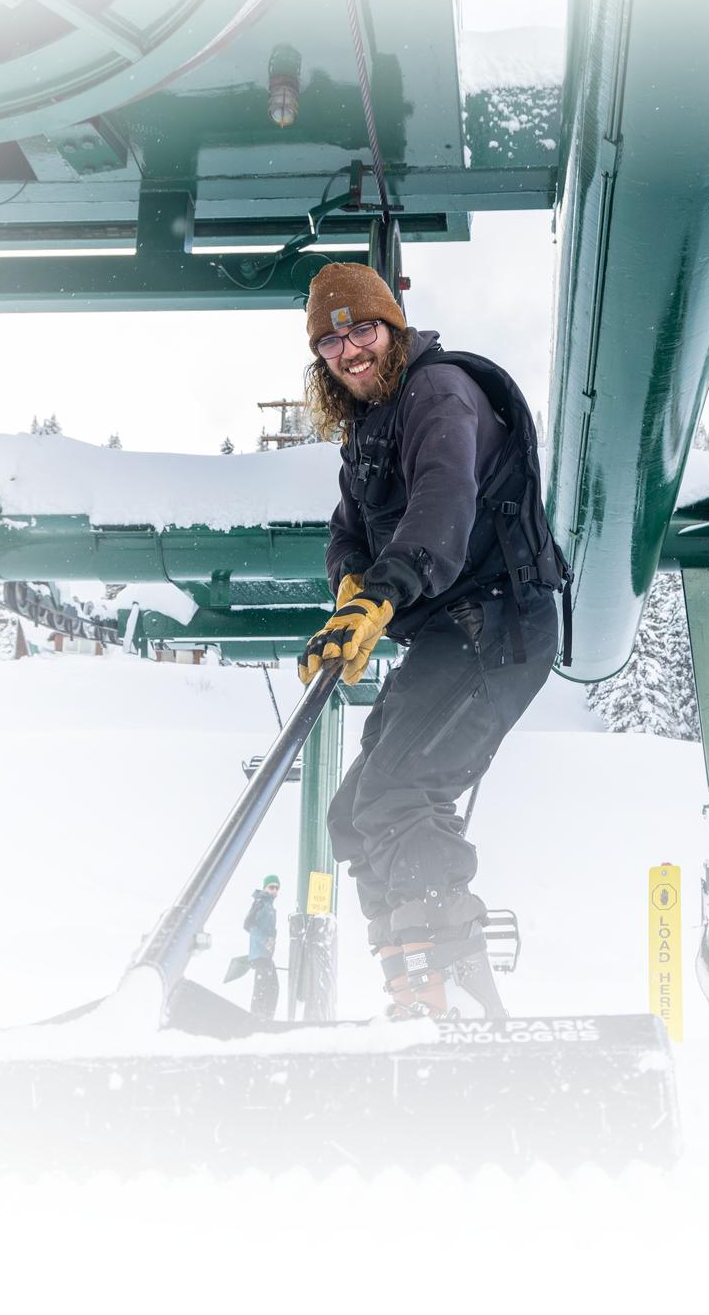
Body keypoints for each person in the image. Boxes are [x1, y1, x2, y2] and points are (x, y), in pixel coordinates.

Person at [295, 261, 569, 1019]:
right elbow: (349, 529)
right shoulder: (368, 428)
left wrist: (383, 596)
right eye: (331, 340)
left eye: (363, 330)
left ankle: (460, 981)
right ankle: (417, 986)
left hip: (500, 621)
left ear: (393, 328)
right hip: (451, 633)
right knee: (354, 813)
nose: (350, 351)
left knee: (399, 792)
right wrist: (353, 587)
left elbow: (442, 509)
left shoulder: (439, 394)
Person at [232, 873, 281, 1021]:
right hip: (259, 953)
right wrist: (265, 940)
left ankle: (267, 1016)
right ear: (265, 888)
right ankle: (257, 1016)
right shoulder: (260, 903)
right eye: (271, 887)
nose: (274, 890)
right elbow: (249, 925)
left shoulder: (270, 906)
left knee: (273, 987)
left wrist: (272, 939)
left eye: (277, 888)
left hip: (266, 954)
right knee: (263, 987)